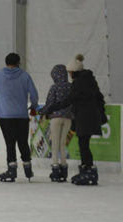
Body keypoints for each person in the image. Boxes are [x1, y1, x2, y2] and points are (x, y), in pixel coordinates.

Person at [41, 54, 106, 186]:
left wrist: (51, 108)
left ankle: (88, 170)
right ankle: (86, 168)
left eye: (70, 72)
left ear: (74, 71)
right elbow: (100, 97)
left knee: (83, 145)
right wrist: (100, 113)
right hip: (88, 116)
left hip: (84, 117)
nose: (69, 74)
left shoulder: (79, 82)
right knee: (83, 144)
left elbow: (68, 100)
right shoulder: (89, 80)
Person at [0, 53, 39, 182]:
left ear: (6, 62)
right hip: (22, 116)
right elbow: (34, 94)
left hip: (6, 117)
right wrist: (33, 106)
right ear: (19, 62)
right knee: (23, 142)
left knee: (10, 143)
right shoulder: (25, 75)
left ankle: (12, 170)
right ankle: (28, 168)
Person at [42, 64, 72, 183]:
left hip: (56, 118)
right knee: (62, 144)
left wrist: (42, 112)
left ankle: (55, 169)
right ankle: (64, 170)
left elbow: (49, 103)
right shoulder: (71, 87)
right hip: (68, 118)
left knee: (54, 144)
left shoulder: (54, 87)